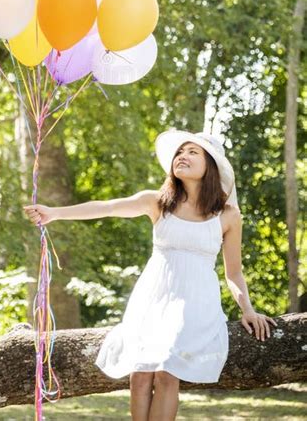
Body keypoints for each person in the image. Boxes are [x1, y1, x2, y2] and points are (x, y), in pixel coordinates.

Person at [23, 130, 277, 421]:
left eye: (193, 152)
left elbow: (234, 272)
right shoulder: (157, 202)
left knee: (168, 374)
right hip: (154, 298)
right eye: (180, 152)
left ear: (211, 165)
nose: (182, 156)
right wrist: (54, 213)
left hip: (194, 303)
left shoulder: (228, 215)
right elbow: (107, 207)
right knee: (140, 375)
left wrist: (248, 309)